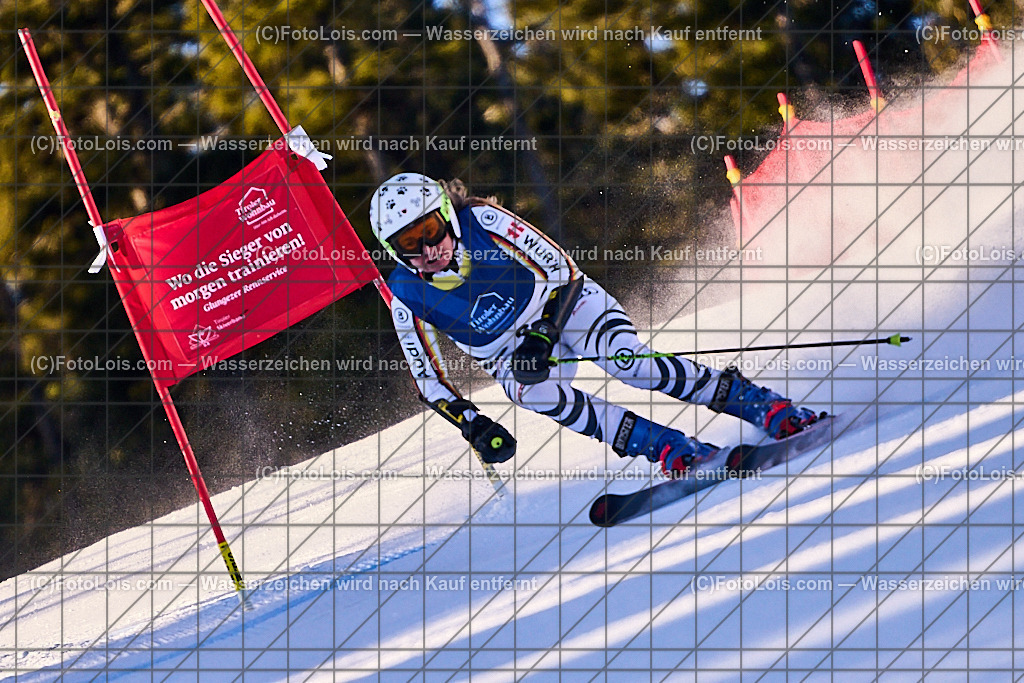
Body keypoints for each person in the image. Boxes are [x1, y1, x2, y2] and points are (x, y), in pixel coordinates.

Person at [369, 173, 822, 475]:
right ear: (394, 251)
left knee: (630, 363)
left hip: (563, 305)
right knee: (529, 390)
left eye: (429, 230)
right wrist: (474, 424)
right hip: (512, 353)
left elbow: (561, 270)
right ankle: (665, 447)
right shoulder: (406, 297)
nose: (427, 249)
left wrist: (545, 333)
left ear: (445, 216)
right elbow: (429, 380)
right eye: (408, 243)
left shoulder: (483, 222)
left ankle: (758, 403)